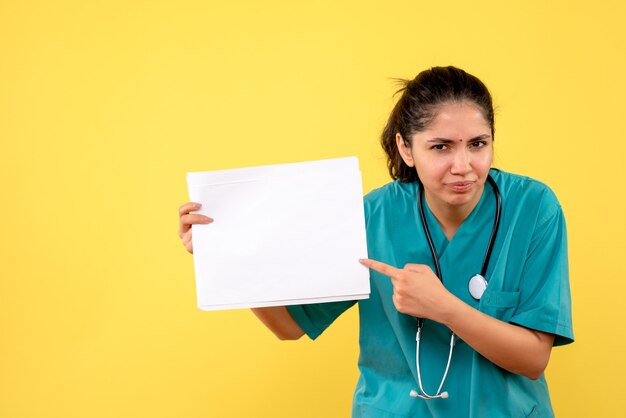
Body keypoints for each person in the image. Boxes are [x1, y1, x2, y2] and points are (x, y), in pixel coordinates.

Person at [178, 66, 574, 417]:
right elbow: (289, 326)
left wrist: (444, 307)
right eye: (440, 147)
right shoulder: (370, 218)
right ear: (407, 148)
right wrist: (225, 256)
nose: (463, 166)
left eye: (477, 144)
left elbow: (534, 357)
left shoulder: (533, 208)